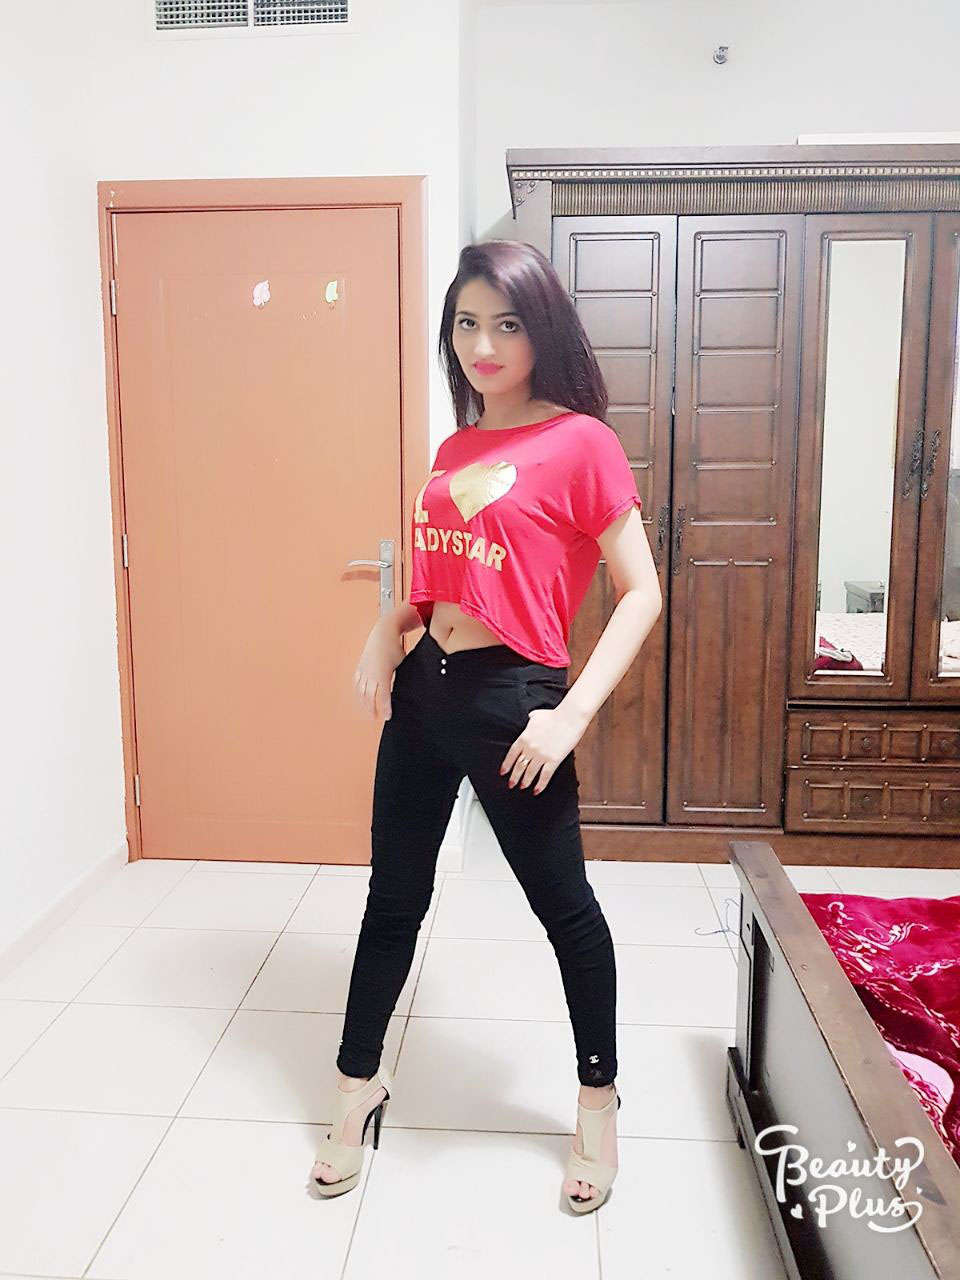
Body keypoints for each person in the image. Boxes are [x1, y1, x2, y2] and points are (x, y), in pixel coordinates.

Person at [310, 240, 662, 1214]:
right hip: (426, 691)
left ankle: (598, 1101)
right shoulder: (455, 450)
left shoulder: (582, 443)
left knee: (565, 909)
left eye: (506, 323)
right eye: (466, 323)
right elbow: (436, 588)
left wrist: (570, 715)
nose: (484, 344)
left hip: (516, 701)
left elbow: (641, 591)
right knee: (393, 899)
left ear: (542, 328)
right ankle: (355, 1081)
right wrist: (383, 634)